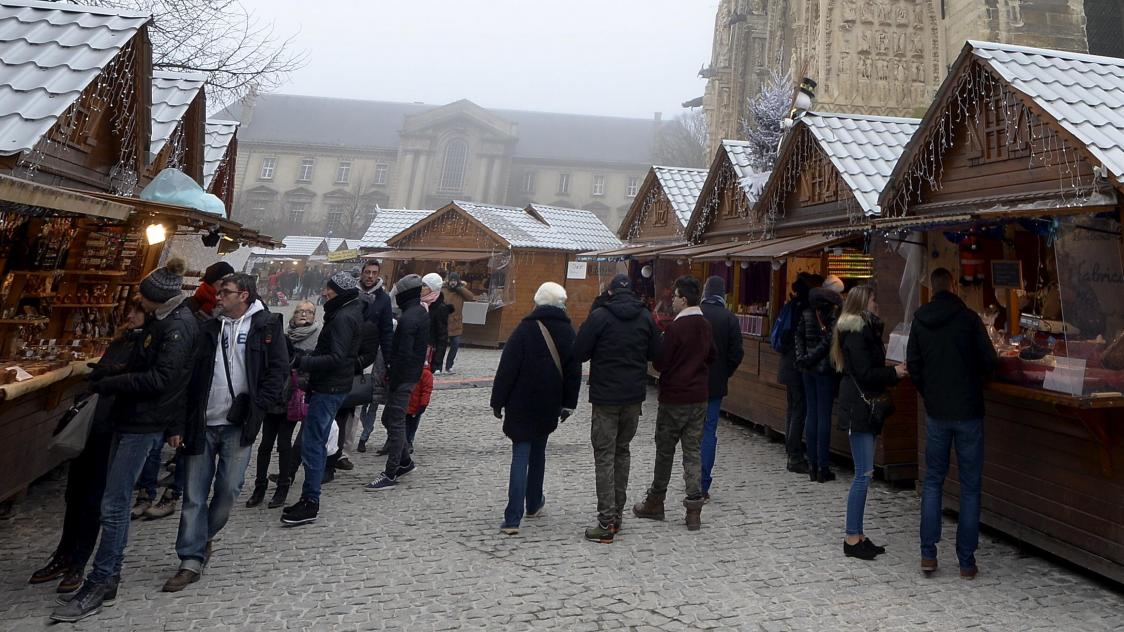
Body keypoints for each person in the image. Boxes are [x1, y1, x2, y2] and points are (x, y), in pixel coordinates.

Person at [51, 259, 198, 622]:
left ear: (156, 298)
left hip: (143, 424)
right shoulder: (164, 321)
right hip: (132, 418)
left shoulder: (177, 327)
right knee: (111, 502)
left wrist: (112, 383)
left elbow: (163, 380)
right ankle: (105, 577)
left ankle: (103, 579)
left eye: (144, 299)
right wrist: (113, 370)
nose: (139, 304)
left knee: (114, 506)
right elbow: (149, 367)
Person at [162, 273, 288, 592]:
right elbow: (188, 378)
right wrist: (177, 422)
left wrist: (259, 406)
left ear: (243, 295)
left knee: (229, 490)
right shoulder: (209, 328)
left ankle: (203, 537)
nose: (219, 297)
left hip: (239, 424)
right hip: (203, 422)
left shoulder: (267, 326)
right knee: (193, 494)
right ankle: (190, 558)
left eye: (226, 293)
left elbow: (278, 371)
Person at [29, 301, 147, 595]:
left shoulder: (148, 345)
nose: (129, 315)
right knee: (75, 493)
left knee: (95, 497)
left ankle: (80, 562)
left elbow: (137, 383)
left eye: (136, 311)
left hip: (114, 428)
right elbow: (98, 377)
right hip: (93, 424)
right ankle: (63, 554)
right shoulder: (122, 340)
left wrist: (110, 376)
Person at [908, 267, 998, 579]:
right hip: (969, 410)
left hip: (937, 412)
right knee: (970, 486)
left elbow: (914, 367)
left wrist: (929, 393)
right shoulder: (969, 319)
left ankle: (928, 554)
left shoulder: (920, 321)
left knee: (933, 482)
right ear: (954, 285)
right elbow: (990, 361)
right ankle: (966, 560)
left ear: (932, 289)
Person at [574, 274, 661, 543]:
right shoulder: (645, 316)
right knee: (622, 452)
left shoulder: (600, 316)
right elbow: (655, 354)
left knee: (604, 455)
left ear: (610, 292)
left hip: (605, 398)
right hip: (633, 397)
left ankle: (606, 521)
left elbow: (579, 353)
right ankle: (618, 515)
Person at [491, 282, 581, 535]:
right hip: (548, 402)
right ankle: (533, 503)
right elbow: (574, 372)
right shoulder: (567, 331)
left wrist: (497, 401)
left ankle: (512, 518)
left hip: (520, 401)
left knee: (521, 453)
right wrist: (568, 404)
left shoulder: (524, 328)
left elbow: (507, 368)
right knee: (539, 451)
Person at [282, 272, 365, 526]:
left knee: (313, 444)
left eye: (328, 289)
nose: (325, 293)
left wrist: (303, 361)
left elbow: (337, 357)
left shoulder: (342, 317)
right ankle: (309, 498)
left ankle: (310, 501)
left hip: (330, 388)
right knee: (312, 442)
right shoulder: (347, 311)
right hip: (332, 386)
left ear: (338, 291)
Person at [633, 276, 715, 531]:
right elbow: (712, 356)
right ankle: (693, 510)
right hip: (698, 396)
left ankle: (656, 501)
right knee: (692, 451)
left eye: (676, 297)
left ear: (684, 299)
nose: (673, 301)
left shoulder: (677, 328)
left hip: (674, 397)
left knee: (665, 451)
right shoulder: (705, 324)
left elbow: (660, 361)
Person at [832, 285, 905, 561]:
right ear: (863, 303)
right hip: (859, 408)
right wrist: (893, 373)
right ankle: (852, 536)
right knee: (862, 475)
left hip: (863, 407)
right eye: (874, 300)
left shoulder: (862, 330)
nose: (878, 304)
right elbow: (864, 372)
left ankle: (858, 533)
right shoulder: (857, 332)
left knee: (866, 474)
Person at [248, 301, 320, 509]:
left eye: (308, 312)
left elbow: (313, 369)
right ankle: (259, 486)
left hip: (291, 398)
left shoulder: (316, 337)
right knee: (265, 444)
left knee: (284, 443)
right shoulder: (281, 334)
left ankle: (283, 485)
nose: (303, 315)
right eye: (300, 311)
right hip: (273, 398)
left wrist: (300, 378)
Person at [365, 274, 429, 490]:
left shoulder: (410, 318)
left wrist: (393, 375)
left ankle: (391, 472)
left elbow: (403, 353)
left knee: (395, 421)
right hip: (408, 375)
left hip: (403, 378)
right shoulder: (418, 313)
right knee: (389, 419)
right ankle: (405, 462)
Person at [697, 276, 744, 501]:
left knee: (690, 431)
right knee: (708, 432)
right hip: (715, 385)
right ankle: (703, 483)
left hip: (692, 383)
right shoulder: (729, 318)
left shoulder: (695, 313)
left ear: (705, 292)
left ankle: (690, 478)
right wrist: (725, 371)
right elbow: (737, 353)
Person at [794, 278, 843, 483]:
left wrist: (803, 359)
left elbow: (798, 339)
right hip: (825, 372)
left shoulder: (805, 314)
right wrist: (811, 358)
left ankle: (812, 463)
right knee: (823, 417)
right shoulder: (833, 317)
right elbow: (828, 343)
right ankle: (822, 466)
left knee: (811, 416)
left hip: (807, 371)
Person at [778, 273, 820, 474]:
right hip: (797, 366)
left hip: (787, 363)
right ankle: (794, 456)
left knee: (792, 408)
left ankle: (791, 449)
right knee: (798, 409)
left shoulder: (792, 305)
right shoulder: (805, 309)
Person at [356, 259, 394, 453]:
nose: (370, 276)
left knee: (371, 397)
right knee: (352, 398)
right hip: (352, 352)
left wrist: (388, 359)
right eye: (367, 272)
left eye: (374, 273)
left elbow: (387, 330)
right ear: (362, 273)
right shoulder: (353, 294)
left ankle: (365, 434)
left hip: (374, 354)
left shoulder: (383, 299)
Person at [441, 272, 476, 373]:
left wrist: (460, 288)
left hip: (456, 323)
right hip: (444, 322)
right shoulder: (444, 290)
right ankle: (438, 366)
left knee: (455, 345)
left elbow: (471, 297)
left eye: (455, 281)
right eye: (451, 280)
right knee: (441, 346)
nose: (453, 283)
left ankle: (449, 366)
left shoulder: (461, 291)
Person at [422, 273, 451, 375]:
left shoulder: (439, 308)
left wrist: (437, 362)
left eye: (425, 285)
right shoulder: (420, 303)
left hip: (429, 353)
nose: (422, 288)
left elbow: (442, 336)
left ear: (432, 289)